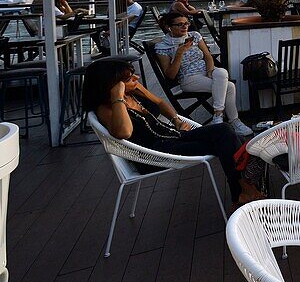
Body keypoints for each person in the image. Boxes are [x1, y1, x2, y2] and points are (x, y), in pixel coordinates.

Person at [82, 58, 264, 206]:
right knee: (227, 138)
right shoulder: (107, 109)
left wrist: (176, 120)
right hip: (154, 155)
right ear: (113, 86)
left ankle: (242, 192)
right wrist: (117, 98)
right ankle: (245, 190)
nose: (136, 79)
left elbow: (160, 104)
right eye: (129, 78)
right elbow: (124, 132)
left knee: (230, 134)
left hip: (173, 137)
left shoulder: (133, 94)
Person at [154, 13, 252, 136]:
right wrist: (179, 52)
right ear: (169, 27)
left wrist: (210, 71)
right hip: (189, 78)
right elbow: (170, 75)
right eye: (180, 24)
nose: (185, 27)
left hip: (207, 72)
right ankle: (233, 121)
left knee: (222, 71)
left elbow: (207, 56)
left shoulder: (194, 35)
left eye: (186, 23)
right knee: (230, 86)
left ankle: (218, 117)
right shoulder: (163, 46)